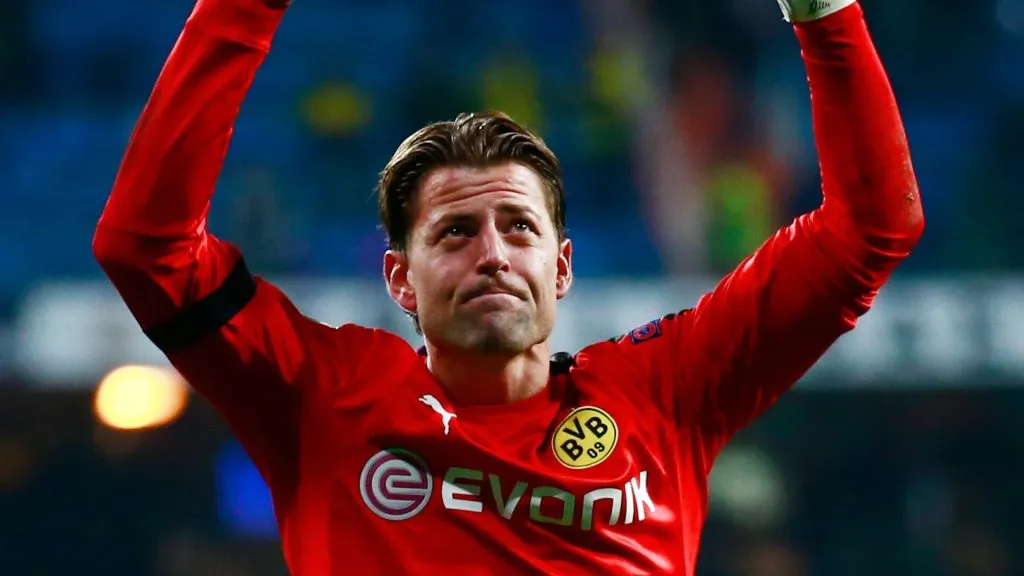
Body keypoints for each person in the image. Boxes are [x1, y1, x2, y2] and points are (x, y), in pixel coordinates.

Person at [92, 0, 924, 573]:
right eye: (455, 233)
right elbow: (145, 249)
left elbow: (872, 229)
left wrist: (824, 12)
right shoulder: (320, 395)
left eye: (519, 228)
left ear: (561, 266)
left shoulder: (665, 393)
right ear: (400, 280)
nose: (493, 253)